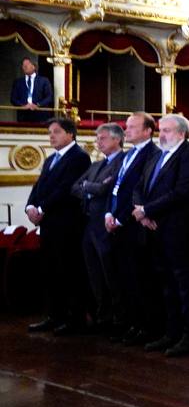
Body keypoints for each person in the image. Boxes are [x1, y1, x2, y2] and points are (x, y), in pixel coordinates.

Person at [132, 114, 189, 356]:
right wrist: (142, 211)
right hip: (157, 229)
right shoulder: (158, 155)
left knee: (185, 286)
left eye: (167, 130)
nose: (161, 134)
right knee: (167, 285)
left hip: (180, 231)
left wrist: (147, 210)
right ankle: (171, 332)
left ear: (182, 133)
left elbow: (182, 192)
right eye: (161, 130)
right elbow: (140, 185)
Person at [25, 117, 91, 333]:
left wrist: (41, 209)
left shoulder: (79, 157)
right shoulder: (51, 159)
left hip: (67, 224)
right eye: (49, 132)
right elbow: (39, 186)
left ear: (70, 134)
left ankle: (75, 319)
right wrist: (30, 207)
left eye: (56, 131)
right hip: (49, 224)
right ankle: (55, 315)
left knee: (68, 270)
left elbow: (66, 188)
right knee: (50, 269)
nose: (51, 136)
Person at [105, 112, 159, 344]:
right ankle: (131, 323)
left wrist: (120, 218)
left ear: (148, 130)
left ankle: (144, 326)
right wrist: (109, 212)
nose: (126, 131)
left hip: (134, 226)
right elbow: (116, 188)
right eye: (126, 127)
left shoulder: (152, 154)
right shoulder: (128, 155)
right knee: (124, 279)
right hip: (118, 224)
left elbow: (137, 191)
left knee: (140, 280)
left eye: (132, 127)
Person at [72, 124, 125, 334]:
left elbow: (106, 189)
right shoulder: (96, 165)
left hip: (107, 226)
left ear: (116, 140)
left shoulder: (123, 161)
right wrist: (90, 188)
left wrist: (88, 187)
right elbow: (74, 187)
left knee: (111, 274)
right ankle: (102, 316)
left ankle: (118, 318)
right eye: (97, 139)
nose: (98, 142)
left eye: (102, 138)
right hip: (89, 226)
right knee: (94, 275)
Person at [9, 56, 53, 123]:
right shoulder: (18, 82)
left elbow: (49, 97)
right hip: (23, 116)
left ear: (34, 66)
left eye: (27, 64)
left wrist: (38, 105)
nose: (25, 66)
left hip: (40, 115)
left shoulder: (44, 80)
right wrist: (22, 105)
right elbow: (13, 98)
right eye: (23, 65)